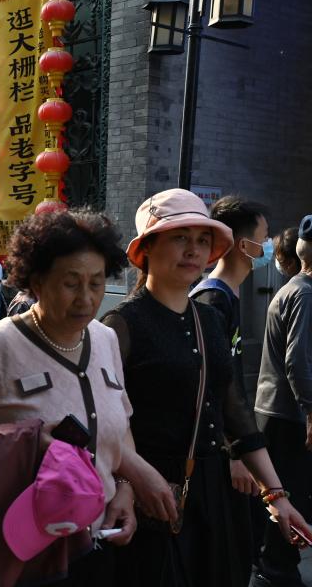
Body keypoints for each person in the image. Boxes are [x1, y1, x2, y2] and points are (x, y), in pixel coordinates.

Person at [0, 208, 166, 583]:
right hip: (27, 543)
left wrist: (125, 488)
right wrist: (26, 443)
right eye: (71, 283)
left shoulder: (106, 339)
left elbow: (119, 423)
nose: (86, 298)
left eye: (96, 283)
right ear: (37, 282)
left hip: (97, 537)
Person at [102, 188, 311, 587]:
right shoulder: (122, 324)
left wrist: (277, 497)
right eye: (179, 237)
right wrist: (128, 482)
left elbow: (234, 413)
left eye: (202, 240)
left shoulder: (209, 320)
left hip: (211, 488)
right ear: (147, 248)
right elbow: (112, 419)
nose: (193, 251)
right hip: (150, 493)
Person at [188, 196, 270, 581]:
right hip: (218, 451)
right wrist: (232, 451)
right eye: (263, 239)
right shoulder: (210, 299)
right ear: (243, 245)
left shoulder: (227, 296)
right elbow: (209, 386)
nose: (267, 249)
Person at [251, 214, 312, 587]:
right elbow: (298, 362)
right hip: (288, 417)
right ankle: (275, 574)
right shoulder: (305, 293)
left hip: (281, 414)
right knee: (287, 496)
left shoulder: (296, 288)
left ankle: (275, 569)